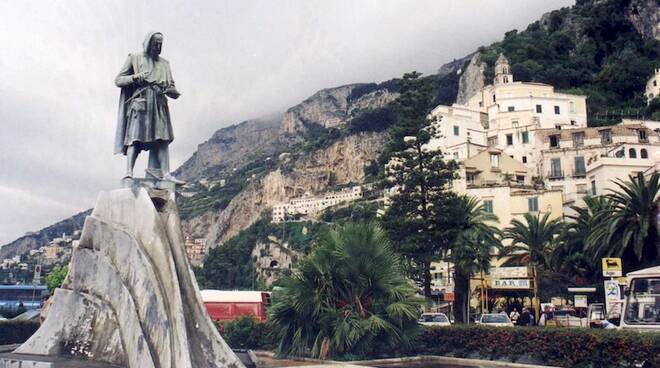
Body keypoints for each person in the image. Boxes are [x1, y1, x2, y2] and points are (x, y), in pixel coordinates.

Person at [114, 32, 184, 183]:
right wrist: (134, 77)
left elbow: (171, 85)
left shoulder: (165, 64)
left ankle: (166, 174)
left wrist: (172, 92)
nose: (158, 47)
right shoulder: (134, 58)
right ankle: (129, 172)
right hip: (141, 103)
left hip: (159, 104)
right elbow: (118, 80)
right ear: (148, 43)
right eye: (155, 44)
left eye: (161, 44)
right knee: (134, 138)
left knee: (163, 139)